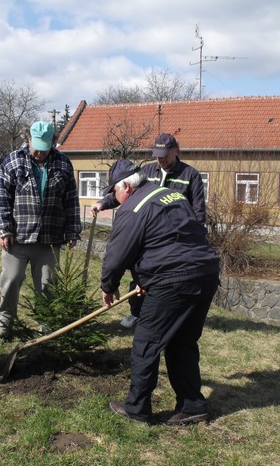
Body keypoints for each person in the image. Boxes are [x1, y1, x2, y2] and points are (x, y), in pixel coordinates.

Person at [100, 159, 220, 425]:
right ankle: (192, 406)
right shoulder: (170, 193)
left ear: (126, 188)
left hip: (174, 280)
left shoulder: (133, 207)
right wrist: (147, 277)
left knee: (146, 343)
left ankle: (137, 409)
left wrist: (108, 286)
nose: (114, 199)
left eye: (114, 193)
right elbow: (170, 239)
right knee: (182, 341)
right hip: (205, 272)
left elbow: (117, 254)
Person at [91, 133, 206, 329]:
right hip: (146, 231)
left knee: (162, 279)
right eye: (157, 154)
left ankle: (164, 316)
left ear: (176, 151)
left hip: (172, 235)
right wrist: (103, 202)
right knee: (140, 274)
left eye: (165, 154)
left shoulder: (190, 175)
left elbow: (198, 211)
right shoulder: (148, 170)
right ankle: (137, 313)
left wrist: (195, 235)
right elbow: (126, 191)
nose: (160, 159)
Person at [0, 121, 82, 338]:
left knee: (46, 284)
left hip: (49, 238)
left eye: (45, 147)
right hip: (18, 238)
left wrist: (72, 230)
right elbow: (1, 197)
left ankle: (46, 323)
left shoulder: (63, 163)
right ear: (29, 140)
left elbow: (71, 199)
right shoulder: (13, 161)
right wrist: (4, 229)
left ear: (53, 142)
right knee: (11, 279)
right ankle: (6, 321)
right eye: (37, 146)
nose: (40, 152)